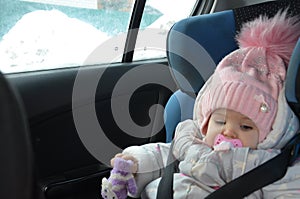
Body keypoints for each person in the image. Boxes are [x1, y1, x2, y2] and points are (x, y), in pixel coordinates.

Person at [109, 10, 300, 198]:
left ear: (270, 133)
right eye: (219, 122)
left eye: (245, 126)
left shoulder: (273, 166)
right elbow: (159, 157)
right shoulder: (191, 141)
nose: (228, 132)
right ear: (206, 122)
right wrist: (133, 164)